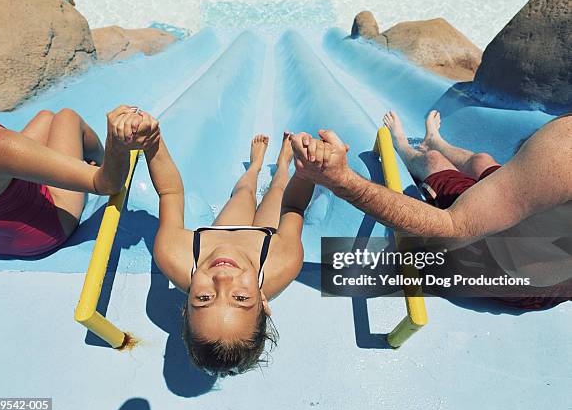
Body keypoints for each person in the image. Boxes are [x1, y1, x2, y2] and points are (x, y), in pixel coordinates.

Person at [290, 110, 572, 308]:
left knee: (435, 162)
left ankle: (406, 147)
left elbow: (451, 229)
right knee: (481, 161)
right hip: (554, 289)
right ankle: (434, 140)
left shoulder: (564, 149)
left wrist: (342, 180)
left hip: (491, 267)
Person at [0, 33, 160, 257]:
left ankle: (77, 165)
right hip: (36, 235)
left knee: (46, 118)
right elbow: (106, 186)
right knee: (67, 118)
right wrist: (118, 144)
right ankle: (101, 160)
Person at [146, 130, 314, 376]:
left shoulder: (172, 254)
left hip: (224, 231)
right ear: (263, 303)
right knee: (279, 193)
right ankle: (283, 166)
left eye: (204, 298)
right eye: (241, 298)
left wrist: (150, 140)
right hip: (265, 242)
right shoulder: (284, 261)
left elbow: (169, 193)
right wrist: (308, 170)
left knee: (243, 193)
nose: (222, 279)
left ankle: (254, 166)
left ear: (185, 307)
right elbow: (295, 206)